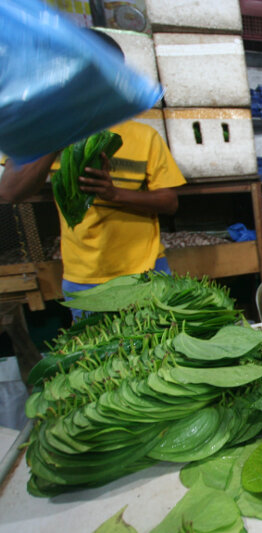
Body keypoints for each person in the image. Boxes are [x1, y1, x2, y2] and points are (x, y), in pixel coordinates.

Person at [0, 30, 186, 321]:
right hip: (86, 279)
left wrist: (114, 194)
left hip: (149, 272)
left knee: (162, 351)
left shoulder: (144, 136)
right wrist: (58, 136)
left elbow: (169, 202)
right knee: (101, 361)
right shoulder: (44, 132)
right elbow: (10, 191)